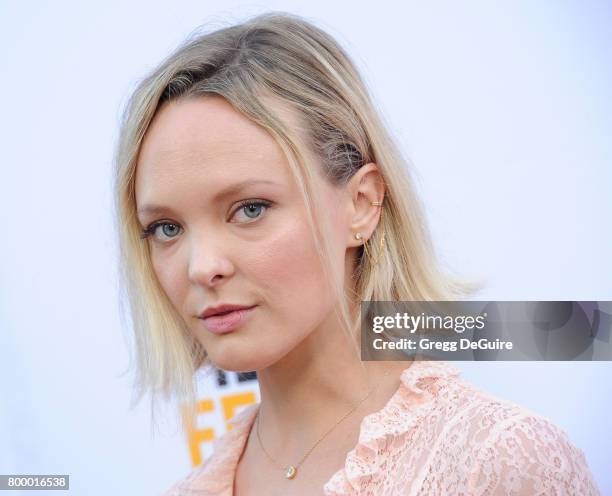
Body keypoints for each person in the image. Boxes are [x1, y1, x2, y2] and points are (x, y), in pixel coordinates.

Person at [113, 11, 601, 495]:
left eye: (250, 209)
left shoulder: (497, 461)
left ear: (361, 204)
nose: (202, 268)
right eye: (166, 228)